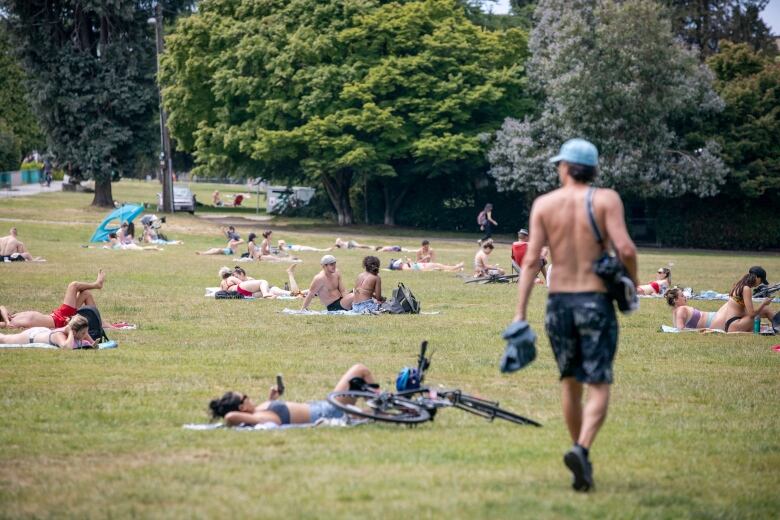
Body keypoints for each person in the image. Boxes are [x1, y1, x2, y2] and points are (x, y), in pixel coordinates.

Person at [509, 138, 638, 492]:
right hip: (595, 302)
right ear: (593, 170)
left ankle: (581, 458)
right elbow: (625, 248)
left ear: (565, 168)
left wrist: (520, 313)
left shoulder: (544, 204)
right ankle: (581, 448)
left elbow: (531, 261)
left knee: (570, 382)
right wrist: (632, 285)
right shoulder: (606, 199)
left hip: (559, 303)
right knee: (599, 383)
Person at [209, 364, 378, 426]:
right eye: (246, 397)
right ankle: (382, 403)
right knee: (359, 370)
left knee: (378, 411)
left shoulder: (258, 413)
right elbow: (230, 417)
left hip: (324, 407)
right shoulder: (258, 418)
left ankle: (387, 405)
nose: (250, 397)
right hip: (329, 411)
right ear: (242, 407)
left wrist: (271, 400)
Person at [0, 270, 106, 329]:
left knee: (86, 294)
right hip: (60, 320)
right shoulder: (11, 323)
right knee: (73, 285)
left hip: (59, 315)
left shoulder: (12, 317)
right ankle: (96, 284)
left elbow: (2, 307)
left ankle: (99, 323)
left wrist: (6, 318)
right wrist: (6, 321)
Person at [710, 271, 778, 332]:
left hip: (730, 323)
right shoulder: (746, 289)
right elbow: (752, 314)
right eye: (761, 281)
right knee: (765, 309)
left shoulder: (738, 285)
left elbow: (744, 310)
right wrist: (764, 303)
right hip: (735, 324)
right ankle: (778, 326)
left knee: (764, 311)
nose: (760, 283)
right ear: (757, 278)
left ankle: (778, 325)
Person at [0, 314, 92, 349]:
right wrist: (71, 332)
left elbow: (86, 340)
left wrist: (92, 343)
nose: (85, 335)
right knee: (4, 339)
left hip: (43, 332)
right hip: (32, 336)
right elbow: (66, 348)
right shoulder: (60, 335)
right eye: (83, 333)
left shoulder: (75, 334)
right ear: (74, 332)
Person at [218, 265, 307, 299]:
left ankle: (300, 294)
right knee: (263, 282)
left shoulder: (222, 283)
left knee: (273, 291)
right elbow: (240, 284)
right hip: (241, 290)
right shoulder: (230, 279)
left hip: (246, 294)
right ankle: (265, 294)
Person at [388, 258, 464, 272]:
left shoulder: (404, 266)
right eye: (400, 263)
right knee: (440, 266)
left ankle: (456, 269)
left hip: (424, 266)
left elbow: (414, 265)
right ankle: (456, 267)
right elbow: (414, 268)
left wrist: (410, 262)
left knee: (441, 267)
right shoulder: (404, 268)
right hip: (424, 267)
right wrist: (410, 262)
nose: (402, 263)